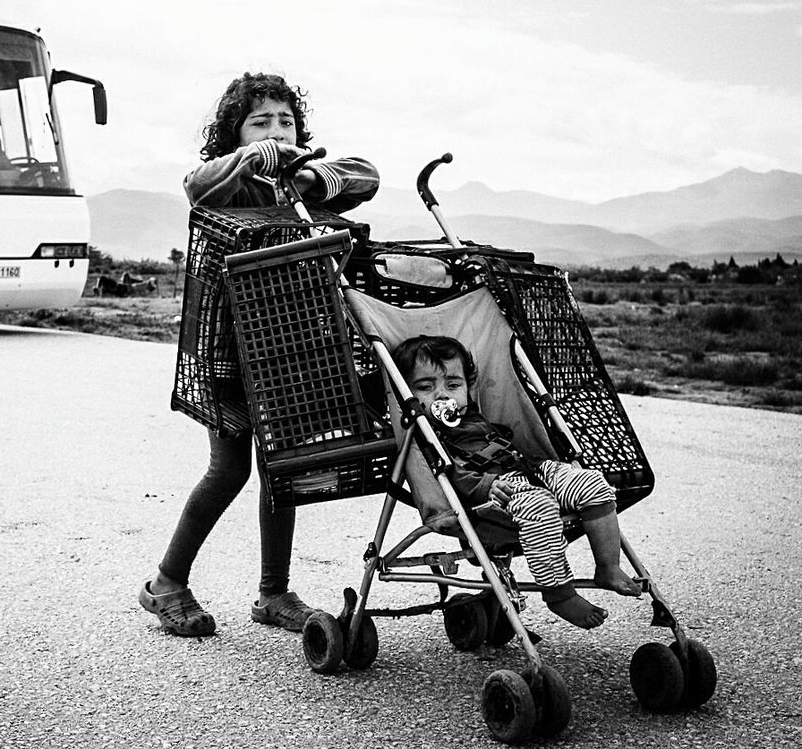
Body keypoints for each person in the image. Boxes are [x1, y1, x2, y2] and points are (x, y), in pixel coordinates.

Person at [139, 72, 380, 637]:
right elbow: (196, 186)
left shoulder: (301, 186)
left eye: (285, 121)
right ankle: (167, 583)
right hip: (230, 349)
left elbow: (366, 176)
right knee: (229, 470)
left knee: (285, 466)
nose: (276, 130)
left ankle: (274, 594)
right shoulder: (228, 181)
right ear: (234, 133)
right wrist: (250, 159)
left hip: (289, 348)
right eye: (260, 121)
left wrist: (316, 174)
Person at [391, 334, 643, 629]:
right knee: (540, 506)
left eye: (453, 385)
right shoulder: (425, 433)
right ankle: (559, 593)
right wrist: (487, 485)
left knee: (594, 484)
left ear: (468, 388)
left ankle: (608, 566)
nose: (442, 395)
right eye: (425, 387)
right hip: (496, 489)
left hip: (529, 469)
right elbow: (451, 474)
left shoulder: (470, 415)